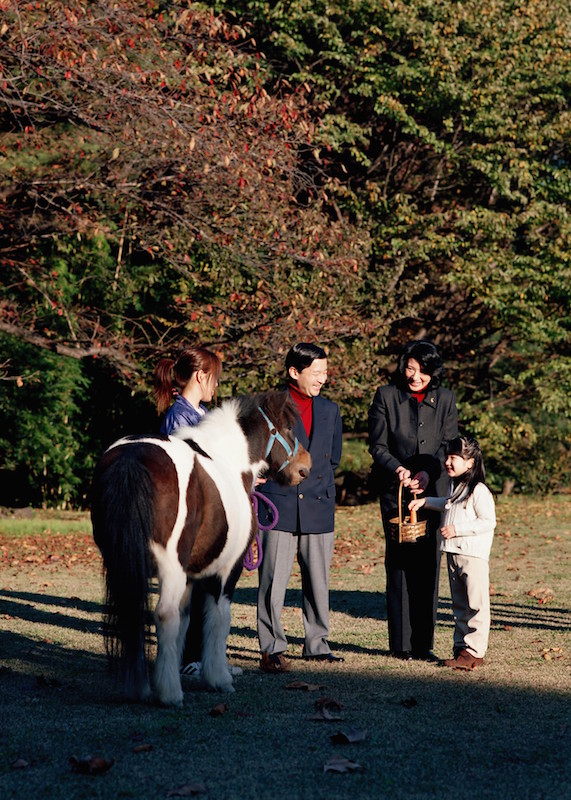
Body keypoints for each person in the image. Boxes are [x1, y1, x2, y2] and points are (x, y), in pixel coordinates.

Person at [368, 339, 458, 661]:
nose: (415, 376)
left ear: (433, 372)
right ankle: (400, 645)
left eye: (422, 371)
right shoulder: (386, 396)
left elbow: (448, 444)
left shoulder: (446, 399)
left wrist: (426, 474)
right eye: (410, 368)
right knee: (400, 564)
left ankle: (423, 644)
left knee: (428, 565)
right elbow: (377, 446)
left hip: (433, 491)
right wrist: (400, 470)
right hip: (397, 493)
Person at [256, 342, 343, 672]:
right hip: (278, 505)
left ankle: (317, 643)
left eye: (325, 372)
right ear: (295, 372)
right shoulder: (269, 406)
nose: (323, 378)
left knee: (319, 581)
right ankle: (272, 647)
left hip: (319, 505)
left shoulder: (331, 411)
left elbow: (332, 458)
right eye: (316, 372)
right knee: (272, 581)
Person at [153, 346, 224, 679]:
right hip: (188, 516)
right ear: (200, 375)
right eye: (214, 377)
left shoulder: (201, 413)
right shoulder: (178, 417)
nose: (216, 385)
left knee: (203, 589)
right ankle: (186, 660)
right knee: (188, 590)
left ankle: (198, 658)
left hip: (204, 514)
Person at [409, 436, 496, 669]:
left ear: (470, 463)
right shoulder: (455, 487)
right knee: (459, 604)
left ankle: (475, 650)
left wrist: (458, 529)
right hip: (453, 554)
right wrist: (425, 502)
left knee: (476, 604)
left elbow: (488, 522)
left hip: (472, 557)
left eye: (454, 458)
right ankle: (461, 648)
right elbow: (446, 504)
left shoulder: (479, 490)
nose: (448, 462)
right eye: (447, 457)